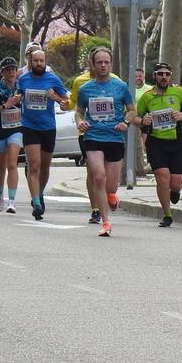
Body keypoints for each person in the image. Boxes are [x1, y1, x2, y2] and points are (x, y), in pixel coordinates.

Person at [75, 47, 135, 237]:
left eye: (106, 62)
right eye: (99, 62)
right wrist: (80, 122)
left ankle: (111, 195)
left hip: (115, 138)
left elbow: (132, 110)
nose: (103, 65)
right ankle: (106, 222)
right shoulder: (85, 89)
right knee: (98, 177)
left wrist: (126, 122)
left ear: (110, 64)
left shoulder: (121, 86)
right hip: (93, 137)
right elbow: (78, 112)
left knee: (111, 186)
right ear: (93, 64)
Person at [133, 61, 182, 226]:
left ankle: (175, 191)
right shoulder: (147, 96)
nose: (163, 77)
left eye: (167, 74)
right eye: (160, 74)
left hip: (177, 142)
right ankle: (167, 214)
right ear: (154, 76)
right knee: (162, 178)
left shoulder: (179, 92)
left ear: (170, 77)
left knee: (175, 183)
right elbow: (134, 117)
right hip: (156, 143)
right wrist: (143, 120)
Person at [18, 48, 70, 220]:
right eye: (35, 61)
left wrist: (55, 98)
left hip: (48, 127)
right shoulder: (23, 79)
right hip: (29, 126)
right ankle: (36, 202)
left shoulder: (53, 79)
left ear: (45, 62)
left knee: (45, 167)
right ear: (30, 62)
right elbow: (17, 97)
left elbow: (66, 103)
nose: (38, 64)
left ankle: (39, 193)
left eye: (41, 61)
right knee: (34, 165)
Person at [0, 57, 25, 214]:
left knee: (12, 163)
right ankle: (0, 194)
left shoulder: (21, 86)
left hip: (16, 128)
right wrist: (5, 105)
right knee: (1, 165)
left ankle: (12, 201)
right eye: (8, 69)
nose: (11, 72)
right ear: (2, 72)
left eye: (13, 69)